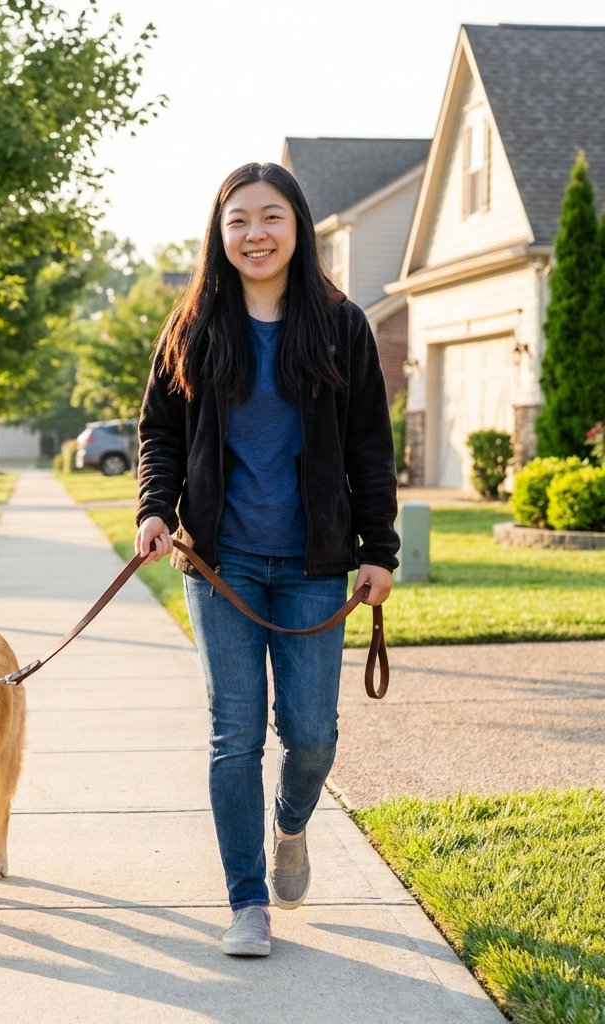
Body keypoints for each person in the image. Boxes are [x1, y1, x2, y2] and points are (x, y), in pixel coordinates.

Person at [135, 162, 399, 957]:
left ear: (298, 227)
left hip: (317, 564)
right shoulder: (193, 329)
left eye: (271, 217)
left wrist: (379, 550)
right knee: (235, 734)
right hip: (222, 565)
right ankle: (246, 903)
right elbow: (161, 435)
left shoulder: (341, 325)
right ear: (219, 235)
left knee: (312, 733)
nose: (255, 234)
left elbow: (369, 448)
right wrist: (154, 508)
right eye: (238, 220)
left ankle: (290, 823)